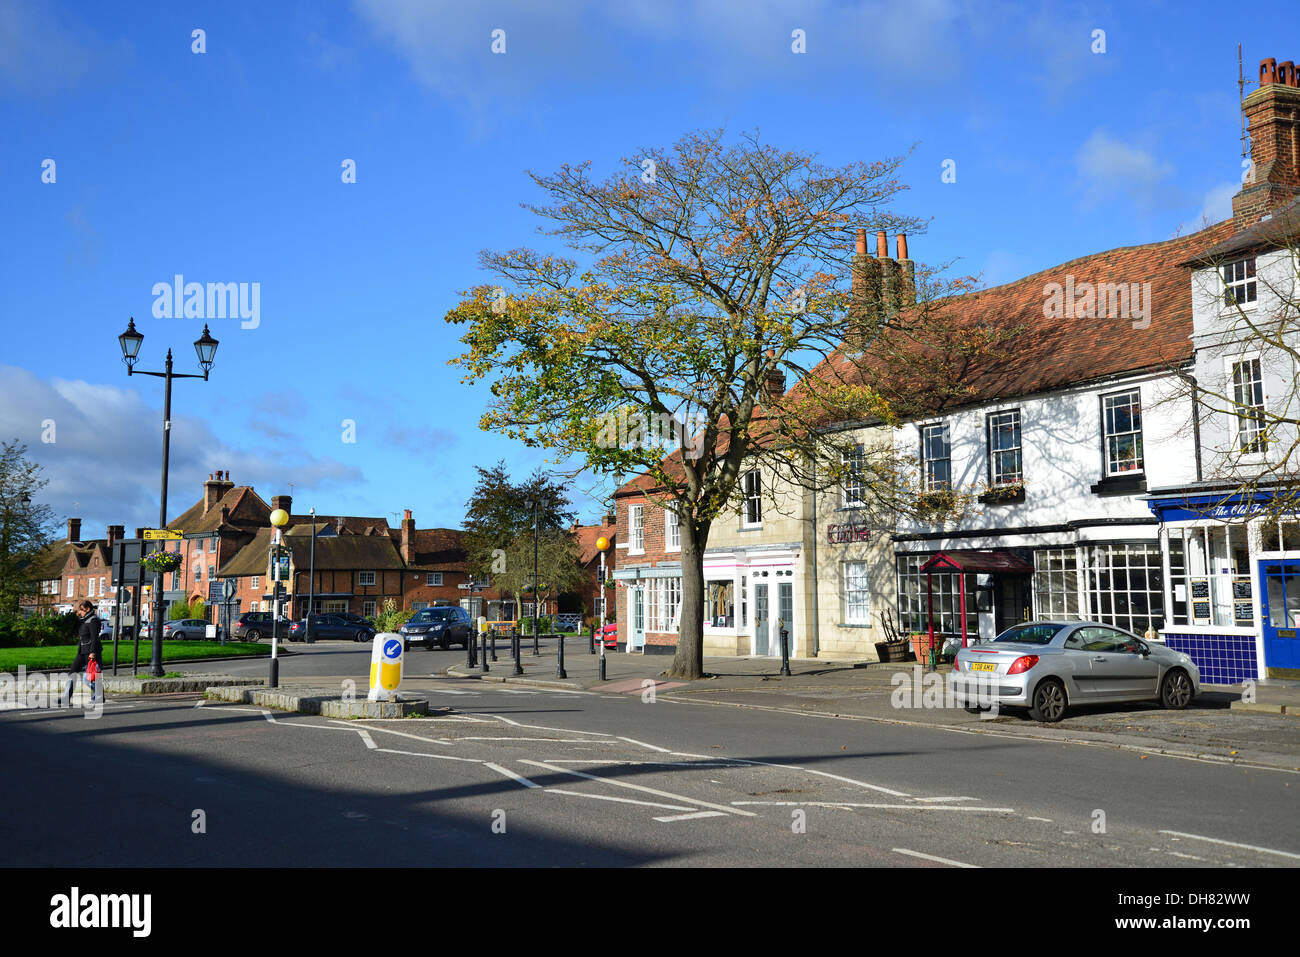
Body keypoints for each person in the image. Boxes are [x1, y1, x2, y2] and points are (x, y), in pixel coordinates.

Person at [61, 599, 104, 708]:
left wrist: (93, 652)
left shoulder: (93, 620)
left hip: (91, 652)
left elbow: (95, 638)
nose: (80, 612)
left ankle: (99, 696)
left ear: (88, 609)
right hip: (82, 652)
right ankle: (66, 698)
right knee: (72, 672)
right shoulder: (84, 620)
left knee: (88, 678)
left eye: (81, 610)